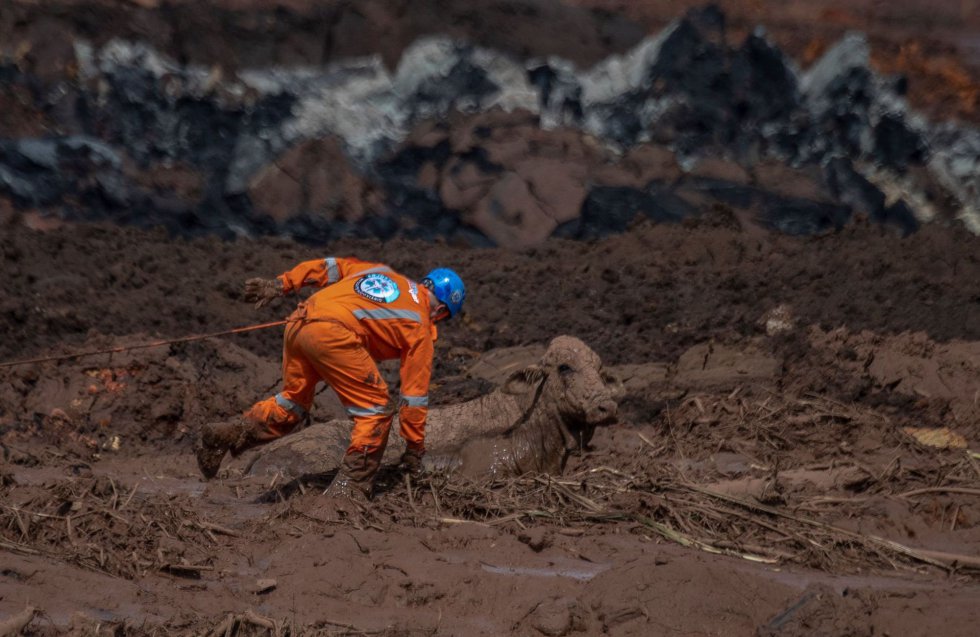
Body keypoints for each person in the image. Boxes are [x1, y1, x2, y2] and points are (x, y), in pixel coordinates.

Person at [195, 256, 465, 499]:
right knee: (377, 412)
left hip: (299, 321)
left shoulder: (381, 272)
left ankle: (229, 433)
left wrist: (282, 284)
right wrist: (415, 449)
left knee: (292, 403)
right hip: (334, 333)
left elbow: (330, 267)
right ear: (441, 311)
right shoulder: (420, 325)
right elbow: (414, 397)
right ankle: (347, 493)